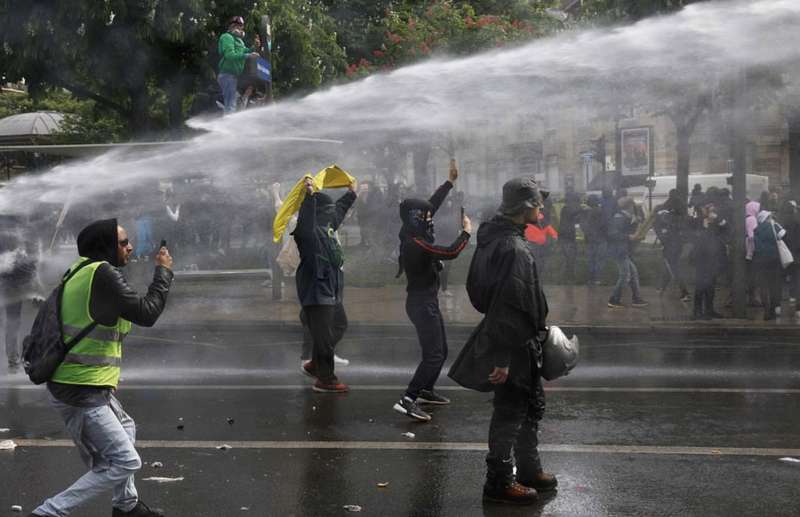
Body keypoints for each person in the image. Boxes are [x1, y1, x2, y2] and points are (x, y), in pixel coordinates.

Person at [30, 219, 173, 517]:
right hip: (79, 388)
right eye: (123, 242)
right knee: (125, 462)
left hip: (86, 382)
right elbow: (147, 313)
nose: (130, 246)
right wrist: (164, 272)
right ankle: (49, 512)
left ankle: (127, 506)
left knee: (127, 426)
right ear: (105, 247)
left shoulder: (81, 271)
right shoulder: (102, 272)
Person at [449, 177, 557, 505]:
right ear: (525, 208)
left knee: (530, 406)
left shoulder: (497, 238)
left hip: (519, 338)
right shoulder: (512, 247)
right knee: (510, 412)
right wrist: (503, 356)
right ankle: (499, 481)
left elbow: (482, 293)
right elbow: (508, 305)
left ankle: (528, 468)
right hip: (513, 342)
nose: (542, 209)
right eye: (538, 203)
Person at [392, 163, 471, 422]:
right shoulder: (416, 244)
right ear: (415, 218)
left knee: (441, 350)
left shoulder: (411, 229)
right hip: (421, 304)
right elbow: (450, 252)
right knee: (434, 353)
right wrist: (466, 233)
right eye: (425, 217)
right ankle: (408, 398)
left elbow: (430, 206)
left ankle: (426, 389)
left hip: (426, 301)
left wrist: (449, 182)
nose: (430, 219)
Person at [295, 178, 357, 393]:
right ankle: (326, 379)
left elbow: (338, 211)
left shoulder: (328, 227)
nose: (332, 213)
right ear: (318, 211)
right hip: (316, 291)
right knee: (323, 337)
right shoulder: (307, 234)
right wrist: (309, 197)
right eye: (327, 209)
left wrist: (351, 194)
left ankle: (315, 363)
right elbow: (305, 221)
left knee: (339, 324)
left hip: (330, 290)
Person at [0, 215, 41, 371]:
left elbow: (34, 262)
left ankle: (23, 357)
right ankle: (14, 359)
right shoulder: (8, 238)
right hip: (12, 288)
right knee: (13, 323)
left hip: (25, 285)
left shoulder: (26, 237)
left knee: (34, 319)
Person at [607, 197, 648, 309]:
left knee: (633, 273)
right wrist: (629, 236)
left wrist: (636, 226)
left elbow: (624, 231)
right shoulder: (620, 217)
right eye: (633, 206)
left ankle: (637, 299)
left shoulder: (624, 216)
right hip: (618, 251)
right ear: (630, 206)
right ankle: (614, 299)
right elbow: (613, 234)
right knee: (625, 275)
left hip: (621, 250)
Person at [689, 199, 726, 319]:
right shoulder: (698, 222)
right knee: (700, 285)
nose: (710, 212)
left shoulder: (716, 222)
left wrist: (717, 219)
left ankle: (709, 310)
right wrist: (706, 226)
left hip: (713, 259)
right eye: (708, 209)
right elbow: (698, 238)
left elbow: (727, 228)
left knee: (711, 286)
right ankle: (697, 311)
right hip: (701, 259)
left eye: (712, 210)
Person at [217, 16, 260, 114]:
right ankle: (227, 127)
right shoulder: (226, 37)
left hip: (232, 76)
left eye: (241, 27)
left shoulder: (239, 41)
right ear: (232, 26)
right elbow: (230, 55)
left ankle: (226, 123)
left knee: (231, 104)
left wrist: (254, 47)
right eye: (239, 26)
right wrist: (249, 55)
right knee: (230, 106)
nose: (241, 29)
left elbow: (245, 51)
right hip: (227, 74)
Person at [654, 189, 689, 301]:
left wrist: (662, 239)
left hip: (669, 243)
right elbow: (684, 227)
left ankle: (685, 292)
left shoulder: (662, 209)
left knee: (673, 267)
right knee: (670, 265)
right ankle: (662, 287)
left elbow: (657, 226)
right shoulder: (680, 209)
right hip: (677, 243)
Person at [752, 209, 786, 320]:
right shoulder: (773, 226)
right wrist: (775, 223)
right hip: (774, 259)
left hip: (760, 260)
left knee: (764, 286)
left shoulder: (756, 229)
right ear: (767, 218)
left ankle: (766, 310)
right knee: (774, 285)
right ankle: (773, 309)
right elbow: (783, 234)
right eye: (770, 217)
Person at [581, 194, 607, 285]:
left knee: (591, 260)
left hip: (589, 240)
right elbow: (604, 225)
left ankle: (590, 279)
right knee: (599, 260)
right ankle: (598, 279)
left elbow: (583, 226)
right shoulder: (601, 212)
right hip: (600, 239)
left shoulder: (586, 212)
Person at [558, 191, 582, 284]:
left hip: (566, 237)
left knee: (569, 259)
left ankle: (567, 278)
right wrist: (581, 209)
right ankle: (569, 278)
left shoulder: (565, 208)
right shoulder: (567, 209)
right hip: (568, 237)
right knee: (570, 259)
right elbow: (573, 214)